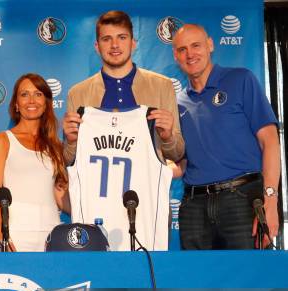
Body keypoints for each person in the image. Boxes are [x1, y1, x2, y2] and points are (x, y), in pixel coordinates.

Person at [61, 10, 184, 251]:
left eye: (122, 37)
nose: (114, 45)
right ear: (97, 46)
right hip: (97, 206)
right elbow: (69, 161)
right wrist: (71, 141)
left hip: (145, 205)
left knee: (148, 281)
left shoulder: (161, 86)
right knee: (99, 281)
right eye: (107, 39)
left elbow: (177, 152)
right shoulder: (79, 93)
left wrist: (168, 135)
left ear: (134, 43)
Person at [172, 24, 280, 249]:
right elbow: (180, 164)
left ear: (210, 45)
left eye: (196, 45)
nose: (190, 54)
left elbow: (269, 141)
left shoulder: (241, 80)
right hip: (194, 207)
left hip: (243, 200)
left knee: (249, 280)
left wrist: (271, 200)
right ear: (176, 55)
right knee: (198, 282)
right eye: (182, 49)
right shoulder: (177, 103)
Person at [0, 73, 68, 251]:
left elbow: (60, 196)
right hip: (15, 235)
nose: (32, 100)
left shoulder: (55, 146)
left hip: (51, 236)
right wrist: (5, 240)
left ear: (46, 103)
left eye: (38, 94)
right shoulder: (3, 140)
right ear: (16, 104)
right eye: (24, 94)